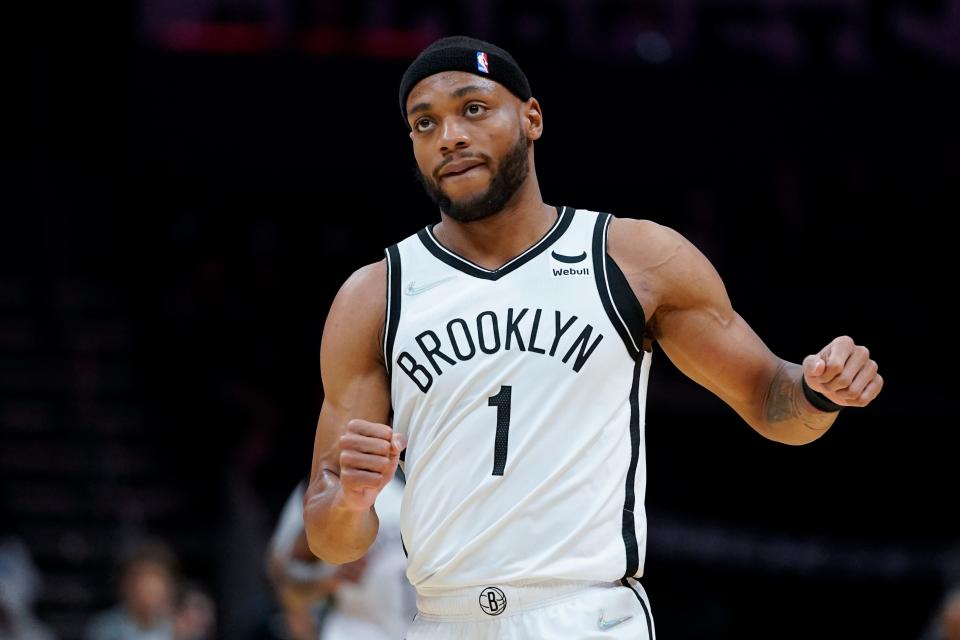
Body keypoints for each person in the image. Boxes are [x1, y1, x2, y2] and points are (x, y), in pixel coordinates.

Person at [303, 35, 884, 639]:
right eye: (425, 123)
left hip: (587, 614)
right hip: (442, 619)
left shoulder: (632, 259)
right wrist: (350, 500)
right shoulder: (375, 295)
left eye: (472, 108)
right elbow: (328, 538)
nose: (449, 135)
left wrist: (819, 390)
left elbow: (772, 402)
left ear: (532, 118)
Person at [267, 476, 414, 640]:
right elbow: (286, 586)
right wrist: (329, 582)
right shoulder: (321, 485)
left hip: (421, 627)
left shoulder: (415, 477)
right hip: (355, 629)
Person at [85, 541, 178, 640]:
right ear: (126, 587)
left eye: (155, 591)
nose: (150, 596)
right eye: (144, 589)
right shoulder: (104, 628)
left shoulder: (175, 627)